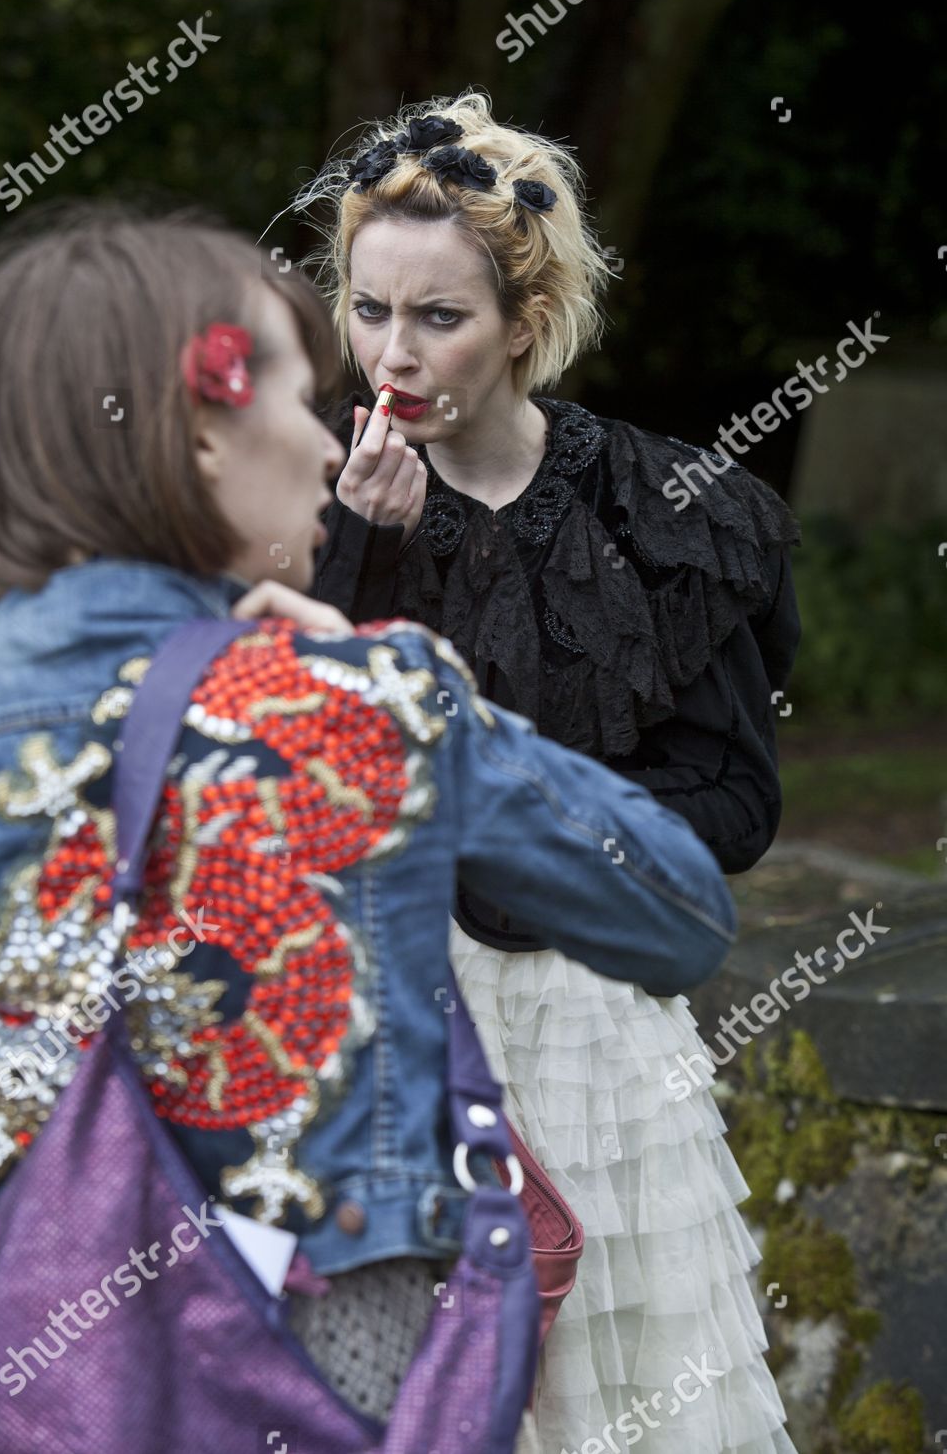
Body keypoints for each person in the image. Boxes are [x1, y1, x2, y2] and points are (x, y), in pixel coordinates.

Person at [0, 201, 736, 1449]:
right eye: (293, 392)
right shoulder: (352, 702)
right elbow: (677, 914)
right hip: (318, 1362)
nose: (329, 447)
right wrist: (439, 708)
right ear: (198, 430)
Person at [295, 91, 802, 1450]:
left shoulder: (665, 518)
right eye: (367, 309)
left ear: (524, 322)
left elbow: (738, 802)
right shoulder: (298, 504)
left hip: (594, 1031)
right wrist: (363, 557)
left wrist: (546, 842)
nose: (391, 353)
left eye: (438, 316)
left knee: (625, 1409)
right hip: (387, 1032)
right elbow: (288, 784)